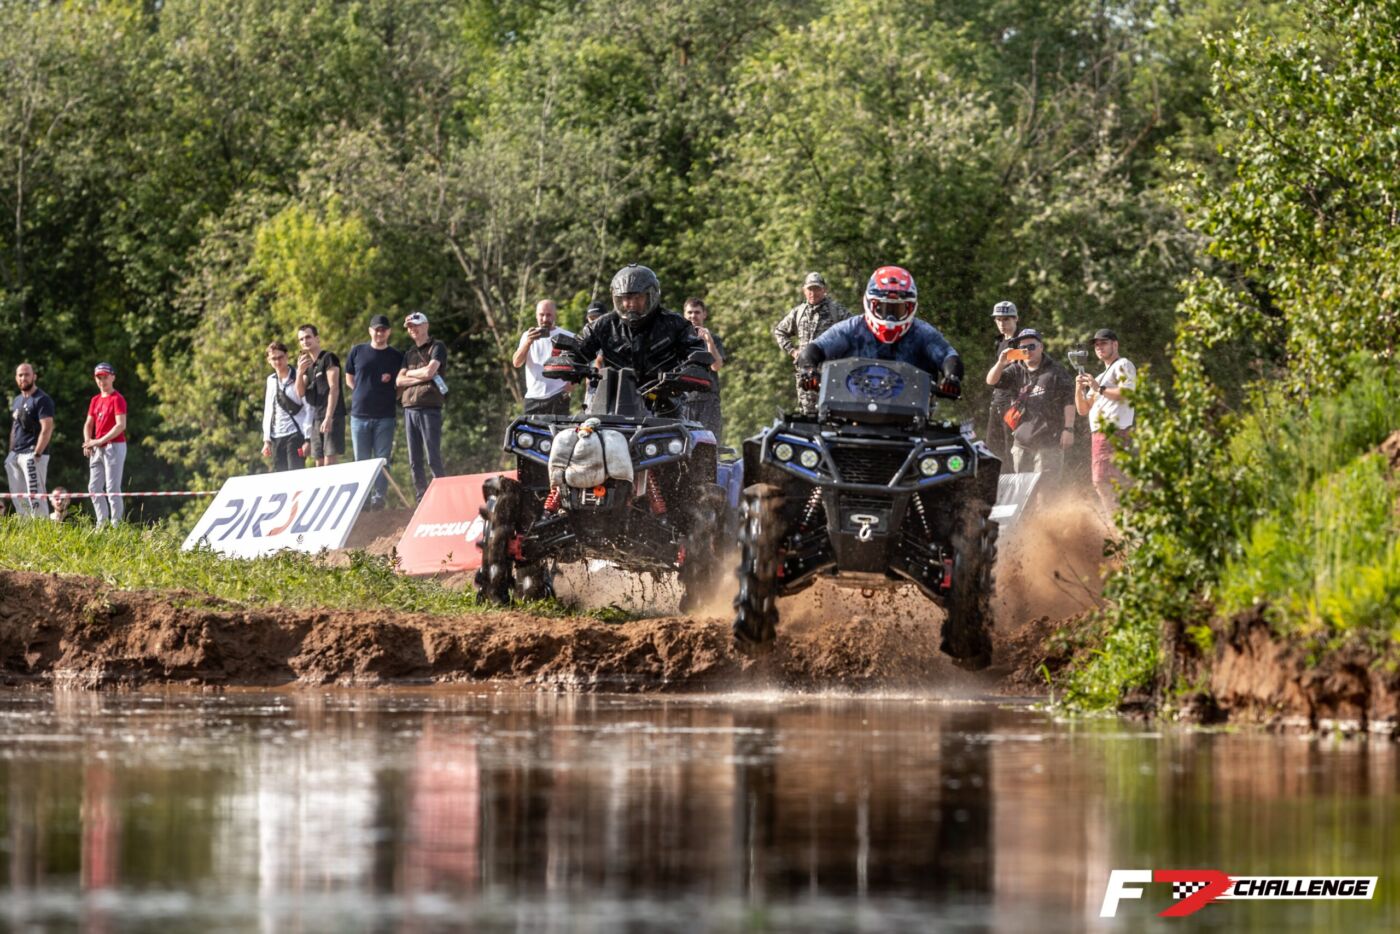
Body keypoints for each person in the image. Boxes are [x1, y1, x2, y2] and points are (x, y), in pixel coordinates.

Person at [550, 264, 712, 416]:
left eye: (637, 298)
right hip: (607, 401)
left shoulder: (675, 324)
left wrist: (691, 370)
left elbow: (696, 351)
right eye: (626, 298)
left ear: (652, 296)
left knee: (689, 434)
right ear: (616, 299)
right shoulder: (603, 325)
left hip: (665, 403)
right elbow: (579, 347)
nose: (631, 304)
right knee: (577, 433)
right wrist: (569, 360)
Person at [797, 266, 963, 396]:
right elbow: (814, 349)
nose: (889, 317)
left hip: (912, 418)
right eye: (882, 308)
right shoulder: (850, 329)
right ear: (869, 303)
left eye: (897, 310)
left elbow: (948, 357)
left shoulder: (923, 333)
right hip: (846, 412)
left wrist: (952, 377)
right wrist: (809, 370)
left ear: (911, 308)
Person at [984, 328, 1076, 488]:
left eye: (1032, 346)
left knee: (1046, 490)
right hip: (1021, 444)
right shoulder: (1015, 370)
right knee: (1023, 492)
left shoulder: (1056, 371)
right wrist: (1001, 363)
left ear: (1041, 347)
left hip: (1049, 442)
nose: (1028, 351)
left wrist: (1069, 429)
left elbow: (1069, 401)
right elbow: (991, 381)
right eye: (1023, 348)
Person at [345, 314, 405, 509]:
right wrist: (360, 392)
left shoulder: (396, 356)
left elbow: (401, 384)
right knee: (360, 461)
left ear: (389, 332)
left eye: (383, 330)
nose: (380, 333)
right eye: (377, 329)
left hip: (385, 416)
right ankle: (362, 499)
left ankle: (379, 498)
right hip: (359, 415)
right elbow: (349, 376)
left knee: (382, 459)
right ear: (370, 331)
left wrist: (392, 396)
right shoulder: (357, 351)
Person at [1074, 328, 1137, 516]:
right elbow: (1083, 409)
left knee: (1103, 480)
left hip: (1114, 431)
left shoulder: (1123, 364)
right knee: (1106, 481)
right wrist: (1078, 388)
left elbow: (1127, 393)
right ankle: (1120, 517)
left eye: (1104, 343)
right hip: (1100, 435)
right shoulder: (1100, 377)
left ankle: (1118, 518)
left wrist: (1098, 388)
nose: (1099, 347)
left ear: (1115, 344)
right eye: (1096, 345)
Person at [773, 272, 847, 414]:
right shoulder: (798, 312)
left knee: (832, 415)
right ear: (804, 291)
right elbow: (780, 331)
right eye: (810, 289)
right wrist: (793, 352)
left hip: (830, 374)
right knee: (807, 416)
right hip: (806, 375)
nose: (813, 293)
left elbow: (853, 332)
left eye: (817, 289)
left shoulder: (836, 311)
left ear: (824, 290)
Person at [396, 311, 448, 501]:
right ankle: (421, 498)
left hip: (429, 407)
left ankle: (442, 494)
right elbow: (398, 380)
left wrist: (411, 374)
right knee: (414, 459)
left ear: (426, 325)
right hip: (409, 408)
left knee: (433, 456)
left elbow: (430, 372)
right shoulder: (409, 353)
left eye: (416, 325)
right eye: (409, 327)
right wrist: (419, 376)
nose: (412, 329)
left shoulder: (437, 346)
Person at [293, 324, 347, 467]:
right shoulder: (308, 366)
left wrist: (329, 417)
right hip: (316, 417)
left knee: (330, 460)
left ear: (317, 338)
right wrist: (299, 372)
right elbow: (300, 393)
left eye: (308, 337)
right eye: (301, 339)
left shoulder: (329, 358)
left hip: (332, 415)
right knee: (319, 462)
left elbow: (334, 388)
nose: (305, 341)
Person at [82, 362, 128, 527]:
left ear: (113, 377)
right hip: (97, 447)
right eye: (99, 378)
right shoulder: (95, 400)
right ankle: (102, 524)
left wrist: (99, 441)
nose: (102, 381)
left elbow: (120, 425)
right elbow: (88, 424)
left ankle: (116, 526)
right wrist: (88, 442)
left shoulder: (117, 399)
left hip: (114, 446)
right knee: (94, 487)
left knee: (112, 488)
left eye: (105, 377)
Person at [6, 362, 55, 517]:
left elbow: (47, 428)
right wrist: (10, 453)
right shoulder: (17, 400)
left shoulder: (42, 399)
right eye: (20, 375)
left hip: (32, 454)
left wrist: (37, 453)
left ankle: (42, 528)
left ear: (34, 376)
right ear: (16, 378)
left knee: (36, 498)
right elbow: (15, 428)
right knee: (18, 498)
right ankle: (25, 529)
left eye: (27, 374)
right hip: (15, 454)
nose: (23, 378)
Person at [512, 299, 574, 416]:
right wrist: (528, 342)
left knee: (559, 429)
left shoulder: (568, 337)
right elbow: (516, 363)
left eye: (549, 315)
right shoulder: (527, 336)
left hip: (558, 396)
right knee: (528, 428)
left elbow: (580, 365)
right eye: (541, 315)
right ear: (536, 316)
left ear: (555, 315)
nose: (545, 319)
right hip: (533, 397)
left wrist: (568, 387)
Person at [681, 297, 726, 442]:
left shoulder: (713, 339)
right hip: (684, 400)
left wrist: (709, 342)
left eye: (697, 312)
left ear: (704, 314)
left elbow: (716, 366)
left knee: (710, 443)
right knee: (683, 444)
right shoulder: (678, 339)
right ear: (684, 315)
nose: (693, 316)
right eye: (690, 312)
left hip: (709, 400)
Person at [261, 341, 311, 472]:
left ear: (287, 356)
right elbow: (268, 410)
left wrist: (308, 438)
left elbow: (308, 407)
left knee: (296, 472)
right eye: (274, 359)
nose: (278, 361)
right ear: (269, 360)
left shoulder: (298, 376)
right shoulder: (271, 380)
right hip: (277, 435)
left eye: (280, 357)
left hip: (295, 433)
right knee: (280, 475)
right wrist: (266, 440)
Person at [985, 300, 1021, 462]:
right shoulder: (999, 342)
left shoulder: (1023, 341)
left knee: (1011, 447)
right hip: (998, 398)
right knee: (992, 446)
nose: (1002, 323)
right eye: (998, 319)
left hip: (1015, 399)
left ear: (1016, 319)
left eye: (1006, 319)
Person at [582, 300, 607, 410]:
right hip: (592, 387)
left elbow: (598, 361)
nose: (594, 321)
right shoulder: (587, 338)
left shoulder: (613, 334)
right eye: (591, 318)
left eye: (598, 318)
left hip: (608, 385)